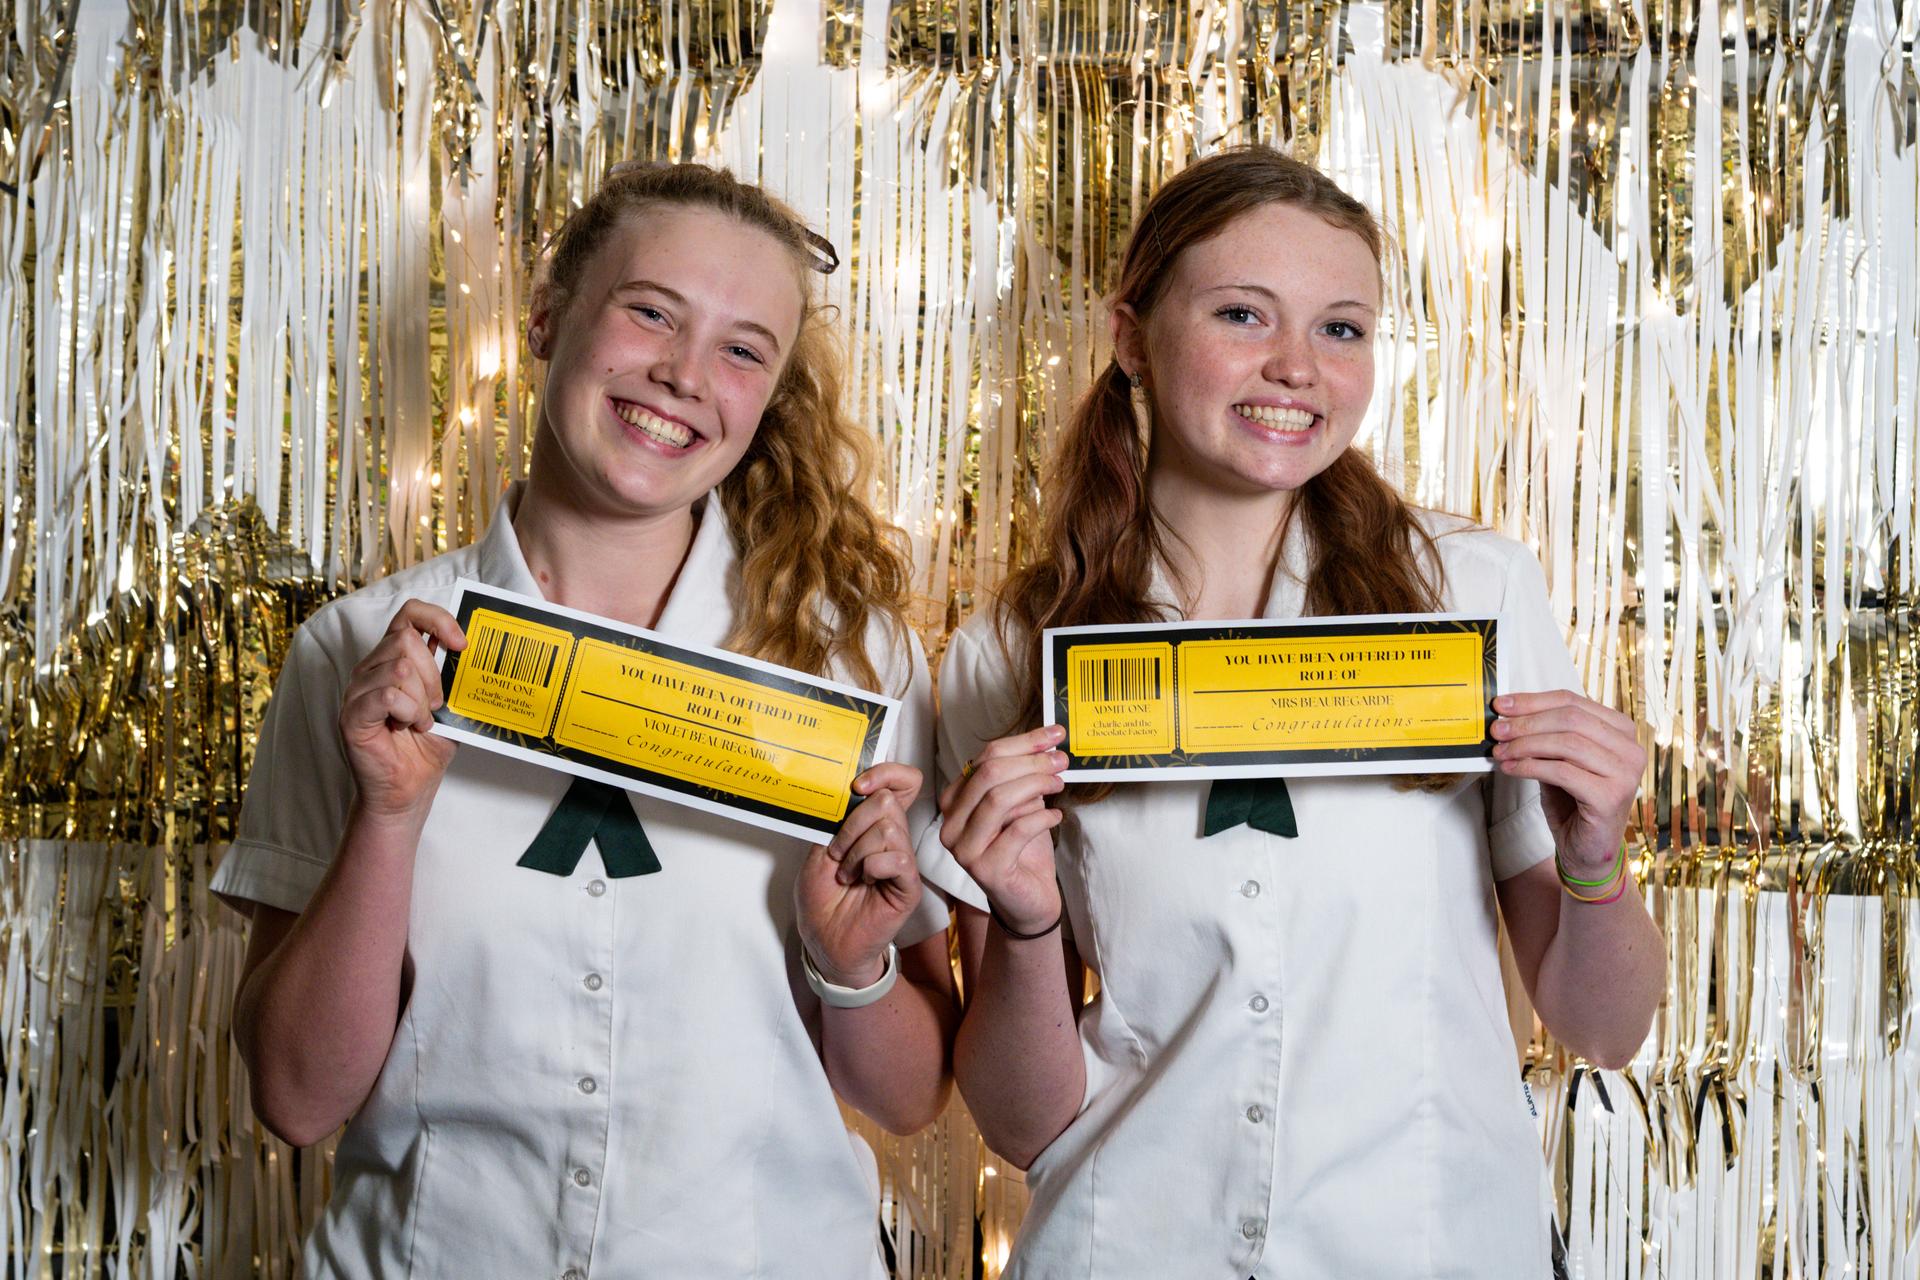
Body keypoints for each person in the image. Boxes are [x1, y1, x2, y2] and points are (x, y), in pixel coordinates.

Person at [921, 146, 1664, 1276]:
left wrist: (1597, 859)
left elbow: (1604, 1029)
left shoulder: (1471, 591)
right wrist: (1024, 923)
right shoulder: (1007, 654)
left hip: (1428, 1244)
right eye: (1242, 314)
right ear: (1131, 336)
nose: (1297, 368)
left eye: (1341, 329)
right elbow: (1023, 1126)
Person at [215, 162, 956, 1279]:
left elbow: (906, 1098)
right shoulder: (355, 652)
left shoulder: (855, 663)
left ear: (768, 396)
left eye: (742, 350)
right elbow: (297, 1099)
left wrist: (850, 962)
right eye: (651, 311)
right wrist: (387, 821)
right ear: (548, 315)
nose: (684, 375)